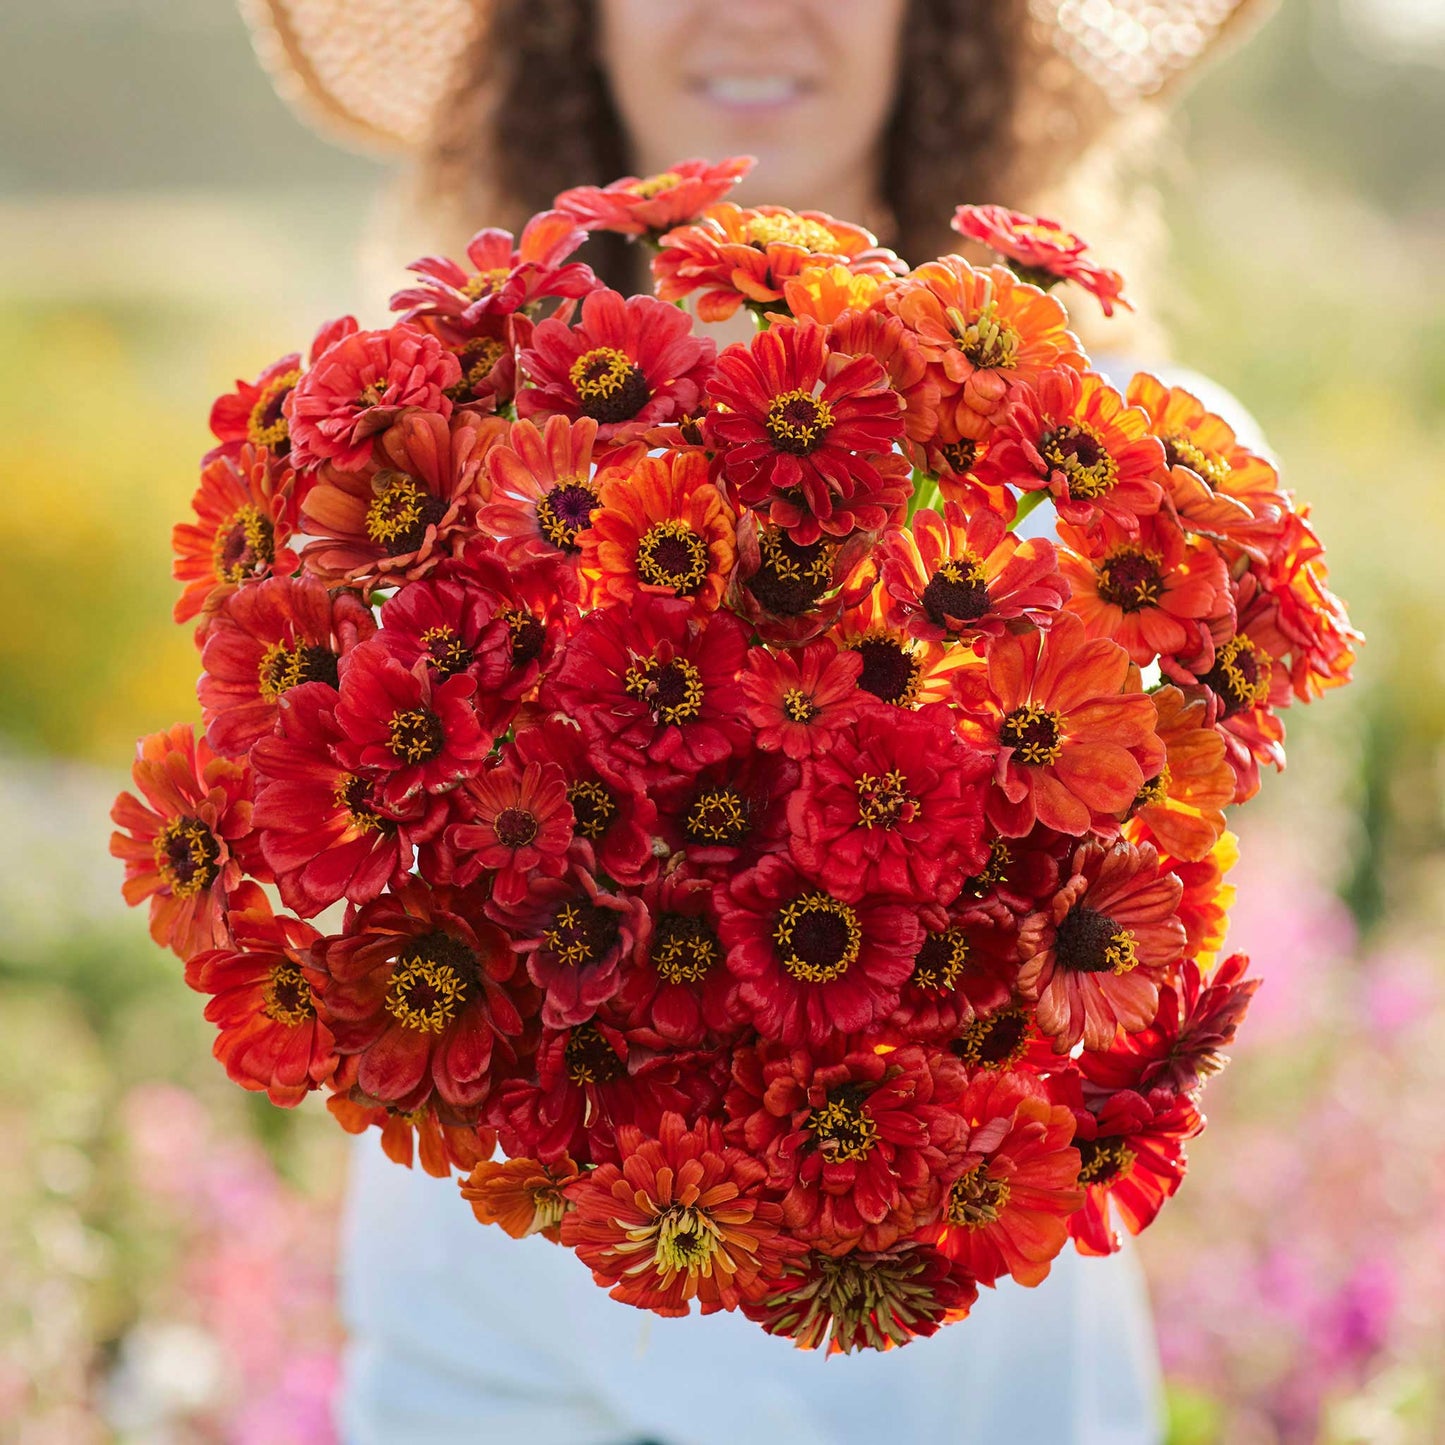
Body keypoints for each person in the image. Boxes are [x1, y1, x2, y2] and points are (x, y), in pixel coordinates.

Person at [240, 2, 1266, 1440]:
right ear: (569, 21)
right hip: (496, 1361)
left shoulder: (1126, 472)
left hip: (953, 1383)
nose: (751, 10)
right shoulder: (416, 454)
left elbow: (1140, 931)